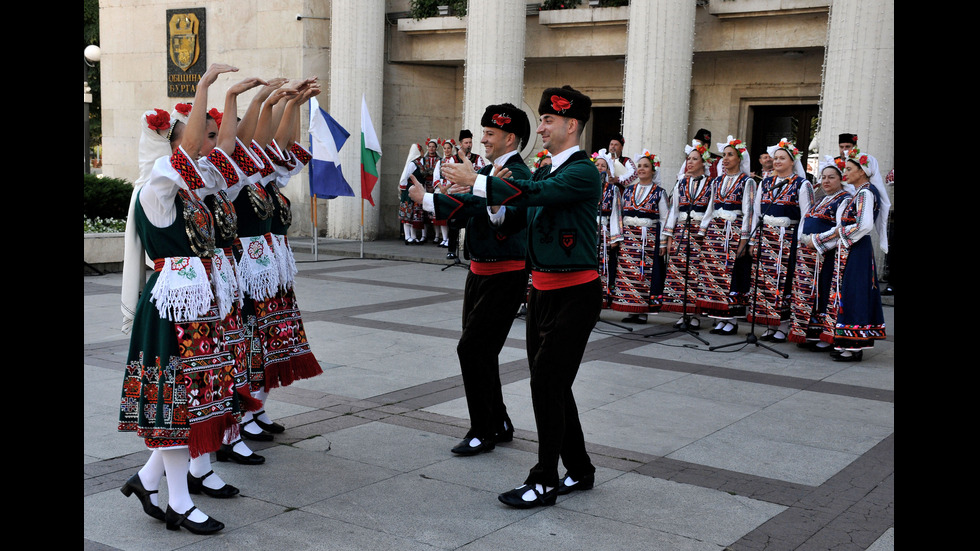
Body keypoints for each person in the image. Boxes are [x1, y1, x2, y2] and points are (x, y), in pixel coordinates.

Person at [118, 63, 263, 535]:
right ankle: (175, 500)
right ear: (171, 144)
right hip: (172, 311)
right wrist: (203, 87)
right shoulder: (157, 191)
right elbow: (183, 156)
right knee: (180, 408)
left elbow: (232, 158)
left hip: (198, 308)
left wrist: (245, 103)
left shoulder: (194, 190)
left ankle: (150, 482)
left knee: (196, 404)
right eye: (200, 133)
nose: (208, 142)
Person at [441, 85, 601, 509]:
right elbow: (520, 215)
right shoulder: (548, 169)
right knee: (554, 383)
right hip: (543, 291)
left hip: (575, 292)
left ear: (571, 124)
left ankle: (545, 478)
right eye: (543, 119)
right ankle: (580, 468)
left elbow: (535, 196)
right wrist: (475, 192)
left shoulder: (583, 172)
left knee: (547, 381)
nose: (542, 127)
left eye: (548, 120)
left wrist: (479, 182)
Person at [411, 103, 532, 456]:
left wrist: (441, 198)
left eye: (490, 134)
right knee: (482, 351)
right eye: (484, 133)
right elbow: (470, 208)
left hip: (504, 274)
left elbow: (504, 220)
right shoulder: (490, 171)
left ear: (510, 138)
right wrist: (433, 198)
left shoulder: (518, 173)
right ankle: (500, 421)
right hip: (479, 271)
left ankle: (483, 430)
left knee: (473, 349)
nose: (483, 140)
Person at [745, 138, 814, 342]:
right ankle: (768, 322)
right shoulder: (765, 183)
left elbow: (807, 215)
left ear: (792, 161)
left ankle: (783, 325)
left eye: (782, 158)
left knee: (784, 282)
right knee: (764, 281)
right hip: (766, 239)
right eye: (775, 158)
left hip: (788, 240)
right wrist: (752, 240)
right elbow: (756, 212)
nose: (777, 161)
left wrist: (801, 242)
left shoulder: (803, 184)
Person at [787, 156, 853, 350]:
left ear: (841, 179)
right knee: (809, 294)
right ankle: (809, 332)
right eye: (823, 177)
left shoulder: (844, 199)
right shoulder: (821, 199)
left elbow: (840, 229)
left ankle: (825, 334)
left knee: (823, 293)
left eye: (831, 177)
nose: (825, 181)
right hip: (809, 255)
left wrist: (816, 242)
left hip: (827, 255)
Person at [830, 148, 889, 361]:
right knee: (850, 292)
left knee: (854, 293)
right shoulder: (860, 192)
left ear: (862, 171)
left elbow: (864, 225)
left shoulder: (865, 193)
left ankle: (854, 346)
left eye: (849, 169)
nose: (845, 172)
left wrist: (842, 236)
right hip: (854, 246)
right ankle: (847, 343)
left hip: (857, 247)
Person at [699, 136, 756, 335]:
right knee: (714, 274)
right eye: (724, 155)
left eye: (730, 155)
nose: (725, 158)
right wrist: (703, 230)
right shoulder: (717, 181)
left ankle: (731, 320)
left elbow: (749, 211)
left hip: (733, 231)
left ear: (740, 158)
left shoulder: (747, 182)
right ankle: (719, 317)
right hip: (716, 231)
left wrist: (744, 239)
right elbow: (711, 207)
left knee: (732, 276)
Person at [610, 149, 669, 323]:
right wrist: (618, 237)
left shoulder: (660, 192)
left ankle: (643, 310)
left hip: (648, 240)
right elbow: (619, 215)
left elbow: (665, 218)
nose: (642, 169)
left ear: (653, 170)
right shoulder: (628, 191)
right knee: (628, 273)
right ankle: (630, 307)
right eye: (640, 166)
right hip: (628, 240)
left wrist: (663, 243)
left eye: (646, 166)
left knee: (644, 273)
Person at [661, 140, 713, 328]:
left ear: (703, 162)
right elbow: (673, 210)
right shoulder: (681, 183)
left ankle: (696, 314)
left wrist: (703, 230)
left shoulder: (711, 183)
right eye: (688, 159)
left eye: (694, 159)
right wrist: (668, 237)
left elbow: (711, 209)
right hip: (681, 231)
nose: (690, 162)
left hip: (700, 233)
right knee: (680, 272)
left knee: (696, 273)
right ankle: (682, 312)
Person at [593, 148, 621, 308]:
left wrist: (614, 237)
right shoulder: (588, 186)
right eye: (597, 165)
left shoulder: (613, 189)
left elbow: (616, 212)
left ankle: (601, 298)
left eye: (603, 165)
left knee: (603, 265)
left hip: (604, 230)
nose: (600, 168)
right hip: (589, 229)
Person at [431, 138, 458, 248]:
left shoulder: (455, 161)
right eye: (445, 148)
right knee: (441, 214)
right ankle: (444, 238)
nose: (446, 150)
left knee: (451, 215)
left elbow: (456, 175)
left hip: (451, 188)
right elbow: (435, 176)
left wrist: (447, 186)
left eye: (448, 148)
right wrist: (441, 187)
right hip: (441, 188)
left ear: (452, 149)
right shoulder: (439, 161)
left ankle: (451, 239)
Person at [398, 143, 426, 244]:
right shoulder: (412, 164)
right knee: (408, 213)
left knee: (415, 214)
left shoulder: (420, 163)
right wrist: (403, 189)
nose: (423, 152)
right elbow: (405, 177)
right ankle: (407, 236)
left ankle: (413, 236)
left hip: (417, 190)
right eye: (421, 150)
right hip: (410, 190)